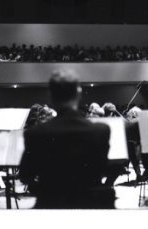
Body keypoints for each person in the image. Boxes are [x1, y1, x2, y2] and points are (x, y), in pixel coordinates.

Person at [18, 71, 116, 208]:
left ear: (50, 96)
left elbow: (25, 175)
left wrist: (46, 189)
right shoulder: (101, 131)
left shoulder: (35, 134)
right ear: (78, 94)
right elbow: (103, 169)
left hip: (51, 204)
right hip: (89, 205)